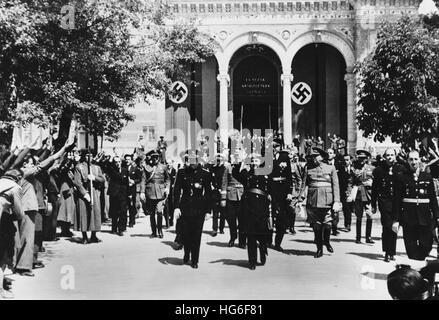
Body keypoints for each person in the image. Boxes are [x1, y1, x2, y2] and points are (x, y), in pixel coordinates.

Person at [392, 150, 439, 260]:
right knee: (411, 250)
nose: (413, 162)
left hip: (425, 218)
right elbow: (397, 200)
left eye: (415, 159)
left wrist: (437, 216)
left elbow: (432, 199)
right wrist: (396, 220)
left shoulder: (427, 177)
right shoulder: (402, 177)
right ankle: (414, 274)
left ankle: (421, 271)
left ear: (419, 160)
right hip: (409, 218)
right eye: (411, 159)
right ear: (407, 161)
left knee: (426, 245)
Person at [299, 147, 342, 258]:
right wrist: (300, 198)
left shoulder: (331, 168)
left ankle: (326, 241)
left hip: (328, 200)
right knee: (316, 226)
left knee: (328, 224)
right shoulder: (308, 168)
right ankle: (319, 249)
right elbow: (304, 184)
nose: (314, 159)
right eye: (312, 157)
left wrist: (337, 201)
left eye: (316, 156)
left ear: (322, 156)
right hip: (313, 200)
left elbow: (336, 186)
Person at [173, 150, 212, 269]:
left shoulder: (205, 174)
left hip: (198, 209)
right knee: (185, 234)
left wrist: (208, 211)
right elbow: (176, 191)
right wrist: (176, 208)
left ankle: (195, 260)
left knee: (196, 235)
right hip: (184, 208)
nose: (192, 162)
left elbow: (208, 193)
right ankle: (186, 253)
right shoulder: (181, 172)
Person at [232, 153, 271, 270]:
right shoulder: (246, 174)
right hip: (249, 207)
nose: (254, 163)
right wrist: (239, 161)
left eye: (257, 161)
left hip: (262, 207)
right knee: (251, 235)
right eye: (253, 161)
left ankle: (263, 250)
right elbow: (235, 173)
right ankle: (252, 261)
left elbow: (272, 188)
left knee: (262, 234)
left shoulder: (266, 174)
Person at [371, 148, 403, 262]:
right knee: (386, 226)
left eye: (392, 155)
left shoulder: (400, 169)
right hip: (384, 202)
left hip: (396, 202)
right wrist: (373, 204)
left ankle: (392, 252)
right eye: (388, 155)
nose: (390, 157)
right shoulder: (379, 170)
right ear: (385, 157)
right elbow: (374, 189)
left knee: (394, 227)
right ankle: (386, 252)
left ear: (395, 156)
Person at [0, 169, 25, 299]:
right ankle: (0, 290)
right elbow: (19, 213)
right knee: (2, 258)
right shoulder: (15, 188)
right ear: (18, 177)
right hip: (3, 222)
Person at [74, 150, 105, 244]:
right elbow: (77, 182)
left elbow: (102, 179)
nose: (89, 158)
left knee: (94, 213)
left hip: (94, 192)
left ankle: (93, 235)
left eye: (91, 156)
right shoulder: (79, 167)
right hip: (84, 193)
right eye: (87, 156)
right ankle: (84, 236)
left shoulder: (96, 167)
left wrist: (94, 178)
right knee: (84, 213)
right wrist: (84, 193)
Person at [269, 139, 293, 251]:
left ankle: (278, 243)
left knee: (281, 218)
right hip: (271, 190)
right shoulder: (267, 157)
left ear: (280, 146)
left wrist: (289, 192)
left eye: (277, 146)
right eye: (272, 146)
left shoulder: (285, 157)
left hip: (283, 190)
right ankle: (268, 241)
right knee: (269, 216)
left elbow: (289, 176)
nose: (274, 148)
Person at [140, 150, 170, 238]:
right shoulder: (147, 168)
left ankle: (160, 230)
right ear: (151, 158)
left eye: (157, 157)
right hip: (150, 192)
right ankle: (154, 232)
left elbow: (167, 179)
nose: (155, 159)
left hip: (160, 192)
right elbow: (143, 180)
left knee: (160, 211)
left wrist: (167, 187)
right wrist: (142, 192)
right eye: (153, 157)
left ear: (159, 158)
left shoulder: (163, 167)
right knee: (152, 213)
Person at [350, 150, 375, 244]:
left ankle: (368, 237)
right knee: (359, 215)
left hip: (368, 194)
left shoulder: (372, 168)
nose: (361, 160)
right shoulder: (354, 168)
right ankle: (358, 237)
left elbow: (376, 181)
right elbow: (351, 181)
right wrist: (350, 193)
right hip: (358, 194)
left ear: (366, 159)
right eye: (360, 158)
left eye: (363, 158)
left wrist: (371, 183)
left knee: (369, 214)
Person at [224, 155, 246, 248]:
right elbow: (224, 182)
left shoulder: (245, 167)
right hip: (231, 195)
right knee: (231, 219)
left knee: (243, 221)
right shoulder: (228, 167)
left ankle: (242, 241)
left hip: (242, 195)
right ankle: (233, 238)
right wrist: (223, 198)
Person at [105, 155, 129, 236]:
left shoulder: (125, 170)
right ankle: (114, 228)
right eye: (116, 162)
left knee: (122, 211)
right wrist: (109, 160)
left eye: (119, 162)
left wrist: (128, 194)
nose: (117, 163)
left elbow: (126, 183)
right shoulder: (111, 170)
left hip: (123, 194)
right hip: (114, 193)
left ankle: (121, 229)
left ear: (121, 162)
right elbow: (107, 166)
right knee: (114, 211)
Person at [207, 153, 227, 237]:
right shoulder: (212, 168)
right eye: (217, 159)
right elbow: (209, 178)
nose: (218, 160)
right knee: (215, 212)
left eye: (220, 159)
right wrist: (211, 185)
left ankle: (221, 228)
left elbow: (225, 181)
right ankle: (214, 229)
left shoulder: (224, 169)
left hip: (222, 192)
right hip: (214, 192)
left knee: (222, 212)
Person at [325, 148, 340, 236]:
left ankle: (334, 228)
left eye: (331, 153)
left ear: (334, 154)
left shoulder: (338, 165)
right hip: (327, 190)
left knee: (335, 212)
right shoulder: (323, 164)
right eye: (328, 153)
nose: (329, 154)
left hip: (336, 189)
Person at [338, 154, 355, 232]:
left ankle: (348, 223)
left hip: (351, 192)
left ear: (350, 161)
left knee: (349, 208)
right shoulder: (340, 170)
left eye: (347, 160)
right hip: (342, 192)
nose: (346, 161)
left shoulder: (353, 170)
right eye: (344, 160)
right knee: (344, 208)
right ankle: (346, 224)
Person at [125, 154, 142, 228]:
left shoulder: (135, 168)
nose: (127, 161)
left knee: (132, 205)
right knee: (124, 206)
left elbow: (139, 179)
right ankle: (124, 222)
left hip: (132, 189)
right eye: (126, 159)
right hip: (124, 189)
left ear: (131, 160)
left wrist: (134, 181)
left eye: (129, 159)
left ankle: (131, 221)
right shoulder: (123, 167)